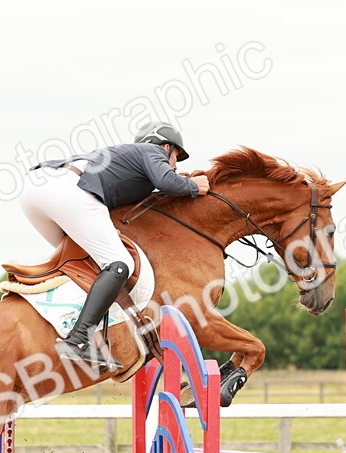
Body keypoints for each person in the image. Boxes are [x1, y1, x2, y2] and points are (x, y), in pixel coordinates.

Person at [19, 122, 210, 371]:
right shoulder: (151, 151)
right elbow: (167, 181)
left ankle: (65, 321)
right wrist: (194, 186)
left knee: (86, 263)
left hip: (35, 190)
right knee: (120, 264)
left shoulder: (126, 164)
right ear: (166, 147)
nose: (175, 165)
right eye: (176, 157)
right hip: (66, 189)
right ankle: (78, 339)